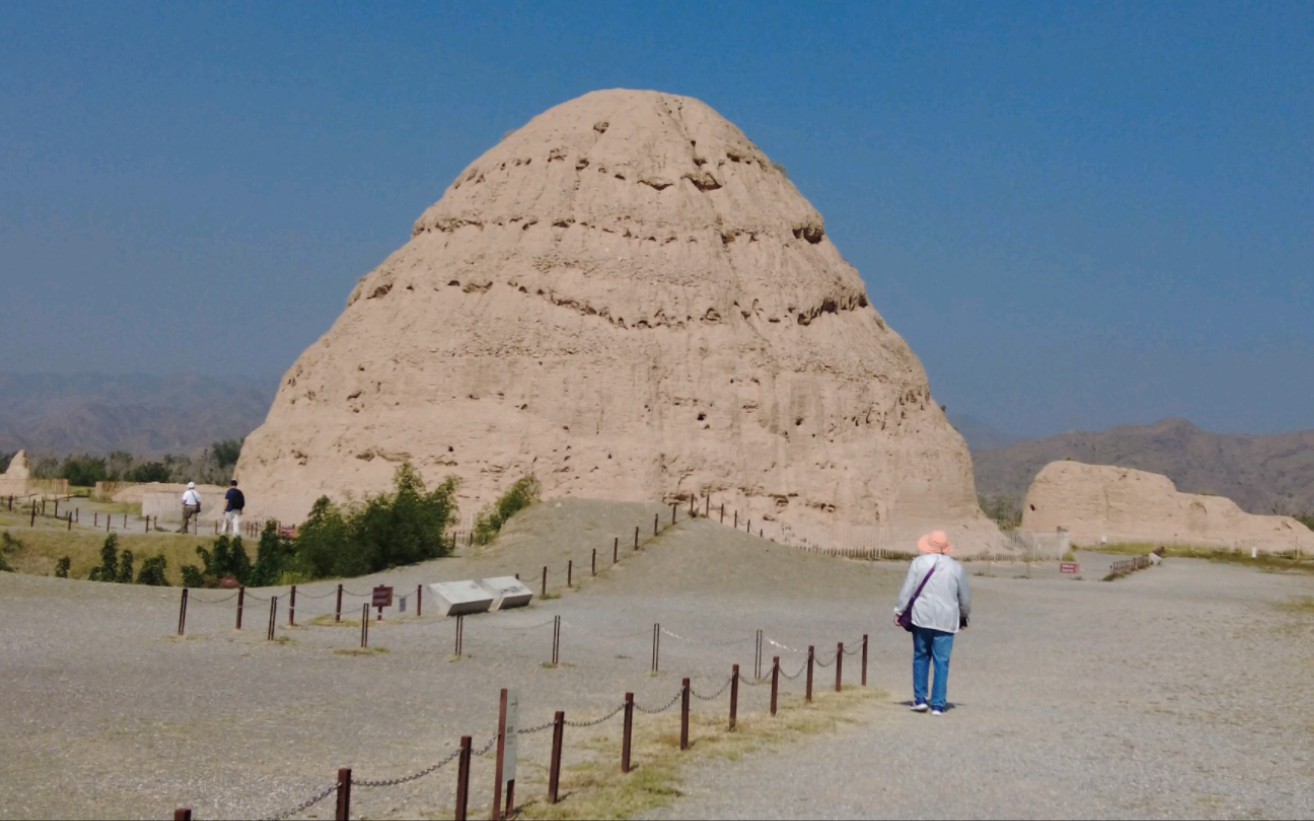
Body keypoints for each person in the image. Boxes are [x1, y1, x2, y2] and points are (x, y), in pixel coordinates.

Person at [893, 529, 971, 715]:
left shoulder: (918, 563)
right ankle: (938, 704)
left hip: (922, 617)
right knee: (941, 662)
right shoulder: (956, 568)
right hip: (946, 619)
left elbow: (907, 590)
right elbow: (965, 597)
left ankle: (920, 699)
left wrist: (899, 610)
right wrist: (964, 615)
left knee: (920, 656)